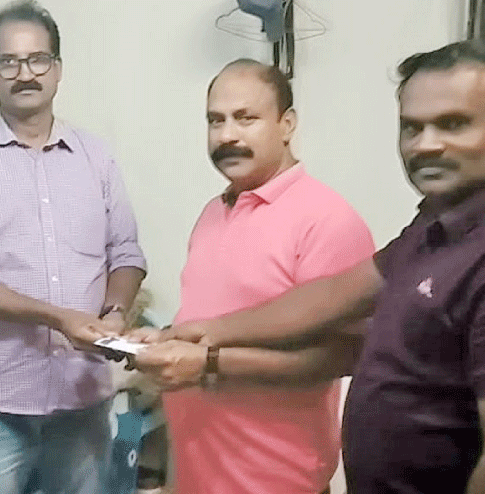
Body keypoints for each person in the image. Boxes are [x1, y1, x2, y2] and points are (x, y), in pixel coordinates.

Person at [138, 41, 485, 494]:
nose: (426, 144)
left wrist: (210, 362)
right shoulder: (435, 224)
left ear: (287, 124)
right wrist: (196, 333)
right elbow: (336, 295)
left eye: (454, 124)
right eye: (412, 127)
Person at [0, 1, 146, 493]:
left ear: (58, 69)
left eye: (38, 59)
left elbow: (126, 253)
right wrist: (58, 317)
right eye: (9, 62)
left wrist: (115, 312)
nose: (25, 74)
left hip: (84, 399)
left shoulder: (96, 156)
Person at [131, 59, 375, 494]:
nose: (227, 135)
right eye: (216, 120)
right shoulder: (213, 211)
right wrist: (165, 340)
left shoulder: (327, 220)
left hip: (274, 480)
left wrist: (208, 365)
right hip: (194, 474)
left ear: (287, 124)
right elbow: (214, 320)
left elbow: (344, 355)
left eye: (246, 118)